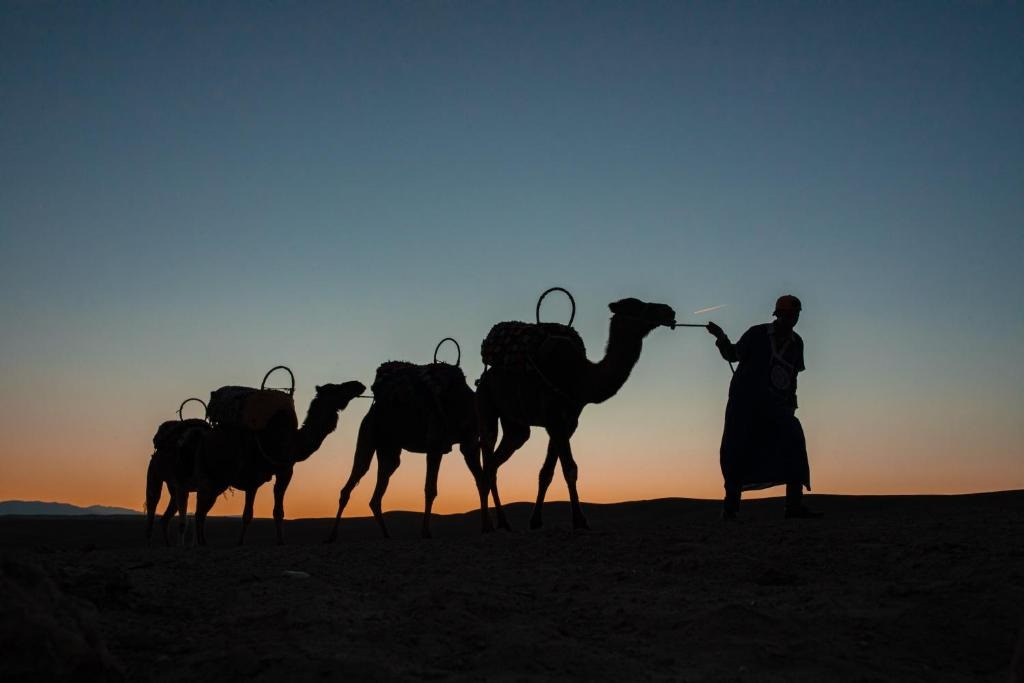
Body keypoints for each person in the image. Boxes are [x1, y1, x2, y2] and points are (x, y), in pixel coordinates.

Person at [706, 294, 821, 520]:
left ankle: (794, 506)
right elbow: (732, 354)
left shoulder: (797, 344)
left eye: (795, 315)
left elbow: (792, 376)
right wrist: (720, 337)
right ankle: (730, 509)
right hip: (745, 403)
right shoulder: (756, 334)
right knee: (736, 450)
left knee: (794, 440)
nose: (792, 318)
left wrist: (791, 404)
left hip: (777, 406)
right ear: (778, 315)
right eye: (788, 314)